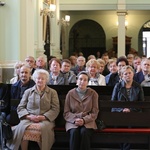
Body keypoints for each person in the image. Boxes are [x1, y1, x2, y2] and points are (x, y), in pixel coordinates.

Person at [6, 69, 60, 150]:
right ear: (35, 79)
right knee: (23, 129)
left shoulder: (53, 92)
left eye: (43, 78)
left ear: (46, 80)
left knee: (40, 129)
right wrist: (29, 117)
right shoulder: (28, 91)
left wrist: (43, 117)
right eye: (38, 78)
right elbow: (21, 107)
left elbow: (55, 109)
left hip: (46, 120)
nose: (40, 80)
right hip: (28, 119)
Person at [111, 65, 144, 150]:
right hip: (119, 114)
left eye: (130, 73)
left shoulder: (138, 87)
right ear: (121, 76)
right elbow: (113, 103)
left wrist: (130, 110)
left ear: (133, 74)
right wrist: (122, 110)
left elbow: (141, 105)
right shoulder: (117, 86)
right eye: (125, 74)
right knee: (121, 126)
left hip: (134, 115)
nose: (128, 75)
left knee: (129, 126)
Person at [63, 71, 99, 150]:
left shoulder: (93, 93)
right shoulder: (70, 93)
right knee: (74, 132)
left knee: (84, 132)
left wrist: (83, 120)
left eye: (85, 80)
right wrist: (75, 119)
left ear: (88, 82)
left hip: (88, 121)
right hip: (72, 121)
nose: (82, 82)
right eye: (80, 79)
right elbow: (66, 112)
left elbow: (94, 112)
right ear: (77, 80)